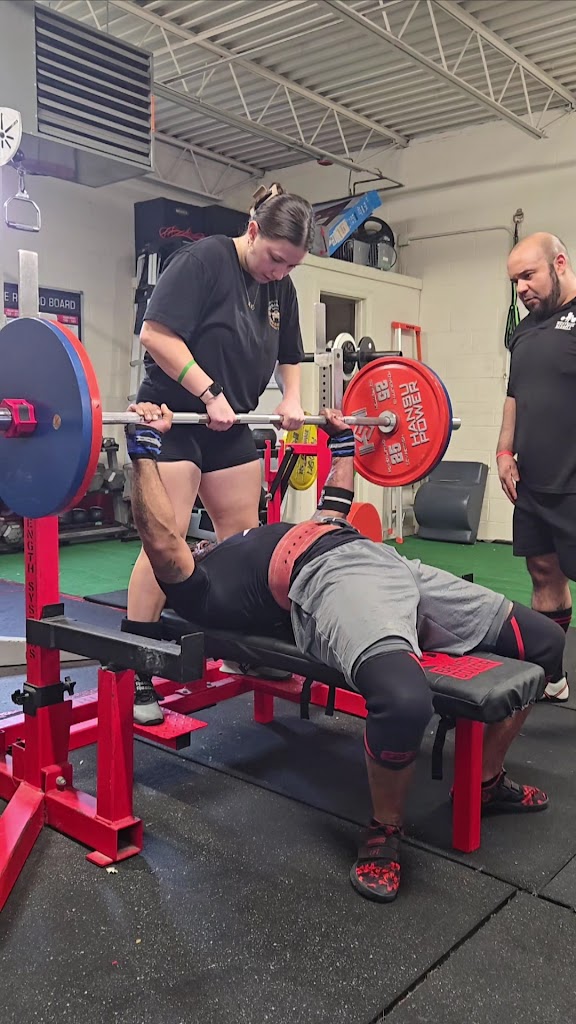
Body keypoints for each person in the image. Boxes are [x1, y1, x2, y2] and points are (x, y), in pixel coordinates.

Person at [122, 400, 564, 905]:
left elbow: (333, 506)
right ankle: (384, 830)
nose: (198, 545)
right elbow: (161, 541)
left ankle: (484, 782)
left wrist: (344, 443)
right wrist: (145, 452)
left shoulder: (246, 536)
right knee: (404, 701)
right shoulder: (200, 589)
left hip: (386, 560)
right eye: (191, 547)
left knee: (546, 642)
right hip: (331, 579)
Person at [128, 183, 315, 725]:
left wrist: (293, 399)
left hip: (230, 422)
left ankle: (238, 649)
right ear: (253, 231)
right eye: (276, 258)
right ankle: (139, 668)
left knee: (243, 539)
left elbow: (290, 353)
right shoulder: (203, 260)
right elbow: (155, 335)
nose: (280, 272)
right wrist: (209, 392)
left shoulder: (280, 285)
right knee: (166, 539)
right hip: (175, 416)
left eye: (291, 265)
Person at [497, 232, 576, 703]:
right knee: (544, 572)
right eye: (515, 281)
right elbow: (515, 393)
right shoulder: (524, 330)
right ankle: (552, 676)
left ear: (559, 263)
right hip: (534, 479)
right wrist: (504, 451)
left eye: (529, 275)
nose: (522, 288)